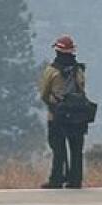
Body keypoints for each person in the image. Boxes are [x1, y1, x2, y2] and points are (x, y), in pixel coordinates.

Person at [38, 35, 87, 189]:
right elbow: (82, 87)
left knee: (58, 149)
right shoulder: (78, 69)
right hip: (77, 116)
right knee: (76, 150)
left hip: (57, 115)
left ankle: (57, 179)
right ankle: (75, 180)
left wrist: (52, 106)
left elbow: (44, 93)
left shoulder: (51, 70)